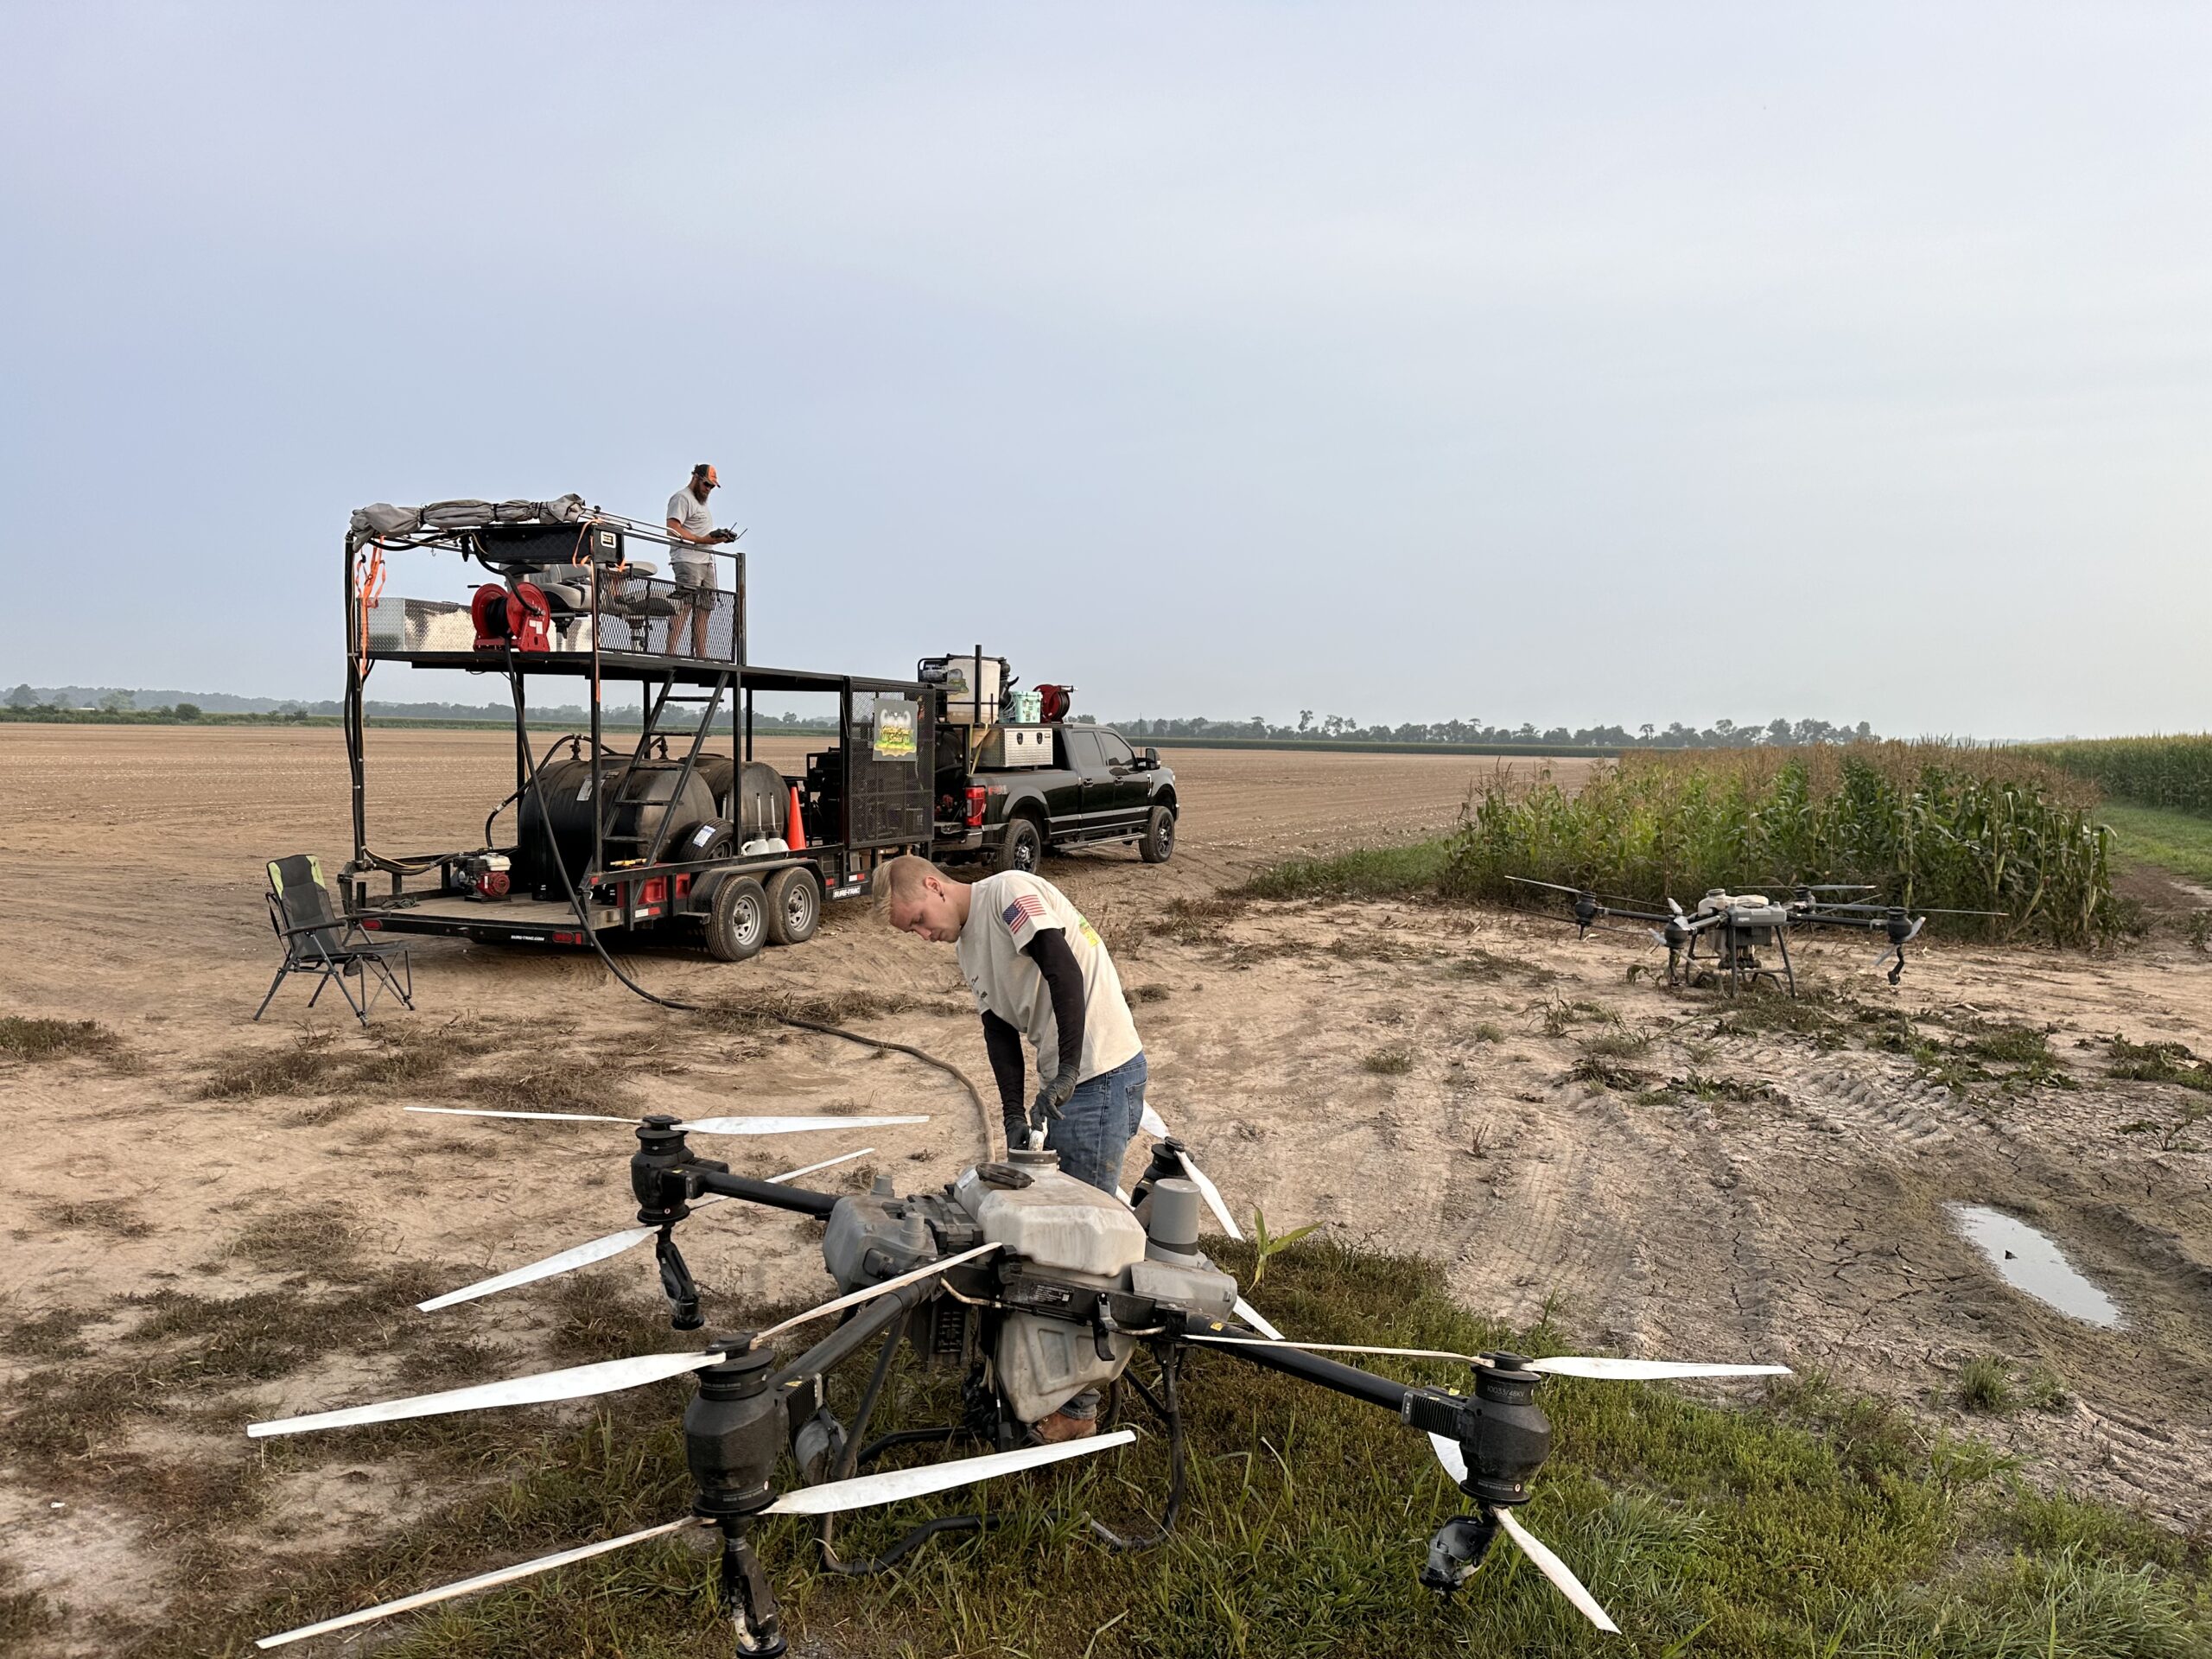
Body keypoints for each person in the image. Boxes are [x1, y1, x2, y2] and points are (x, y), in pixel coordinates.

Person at [876, 855, 1147, 1197]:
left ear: (934, 886)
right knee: (1057, 1206)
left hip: (1101, 1071)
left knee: (1083, 1213)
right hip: (1068, 1079)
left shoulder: (1008, 893)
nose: (924, 935)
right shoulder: (965, 948)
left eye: (919, 919)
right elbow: (998, 1031)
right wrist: (1013, 1115)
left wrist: (1068, 1072)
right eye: (912, 931)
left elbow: (1063, 969)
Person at [664, 463, 735, 657]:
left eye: (712, 487)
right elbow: (672, 529)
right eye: (707, 484)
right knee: (684, 605)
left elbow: (700, 532)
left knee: (705, 607)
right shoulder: (682, 498)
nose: (709, 489)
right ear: (696, 477)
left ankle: (702, 654)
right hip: (688, 560)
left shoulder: (701, 502)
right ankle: (670, 653)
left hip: (706, 561)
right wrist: (702, 540)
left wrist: (718, 538)